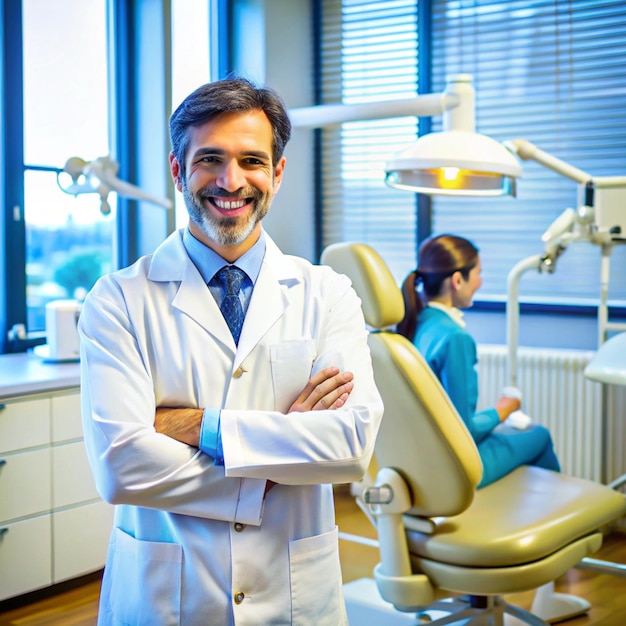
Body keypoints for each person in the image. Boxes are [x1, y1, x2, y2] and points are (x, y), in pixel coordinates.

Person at [78, 76, 383, 625]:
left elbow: (350, 446)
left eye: (252, 161)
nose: (231, 180)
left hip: (295, 592)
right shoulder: (118, 299)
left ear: (278, 173)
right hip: (167, 595)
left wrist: (199, 427)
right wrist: (278, 459)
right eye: (210, 159)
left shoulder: (327, 292)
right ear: (178, 170)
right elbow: (122, 467)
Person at [397, 233, 560, 488]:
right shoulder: (454, 338)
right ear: (458, 280)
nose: (481, 282)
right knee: (538, 435)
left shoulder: (416, 324)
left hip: (418, 460)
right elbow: (465, 432)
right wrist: (503, 409)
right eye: (478, 274)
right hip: (454, 469)